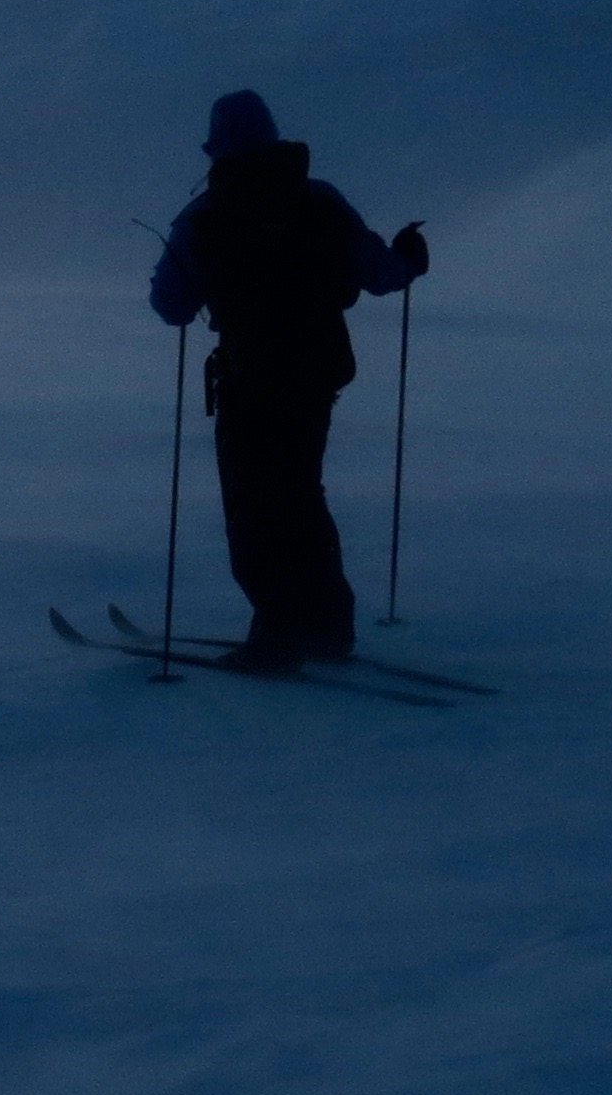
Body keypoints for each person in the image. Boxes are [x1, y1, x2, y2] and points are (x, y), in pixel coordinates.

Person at [146, 90, 430, 665]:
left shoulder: (204, 215)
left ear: (216, 146)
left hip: (251, 375)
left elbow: (171, 305)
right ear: (273, 136)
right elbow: (379, 274)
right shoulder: (319, 200)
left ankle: (277, 633)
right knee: (300, 492)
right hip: (315, 369)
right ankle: (328, 624)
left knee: (254, 503)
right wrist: (409, 258)